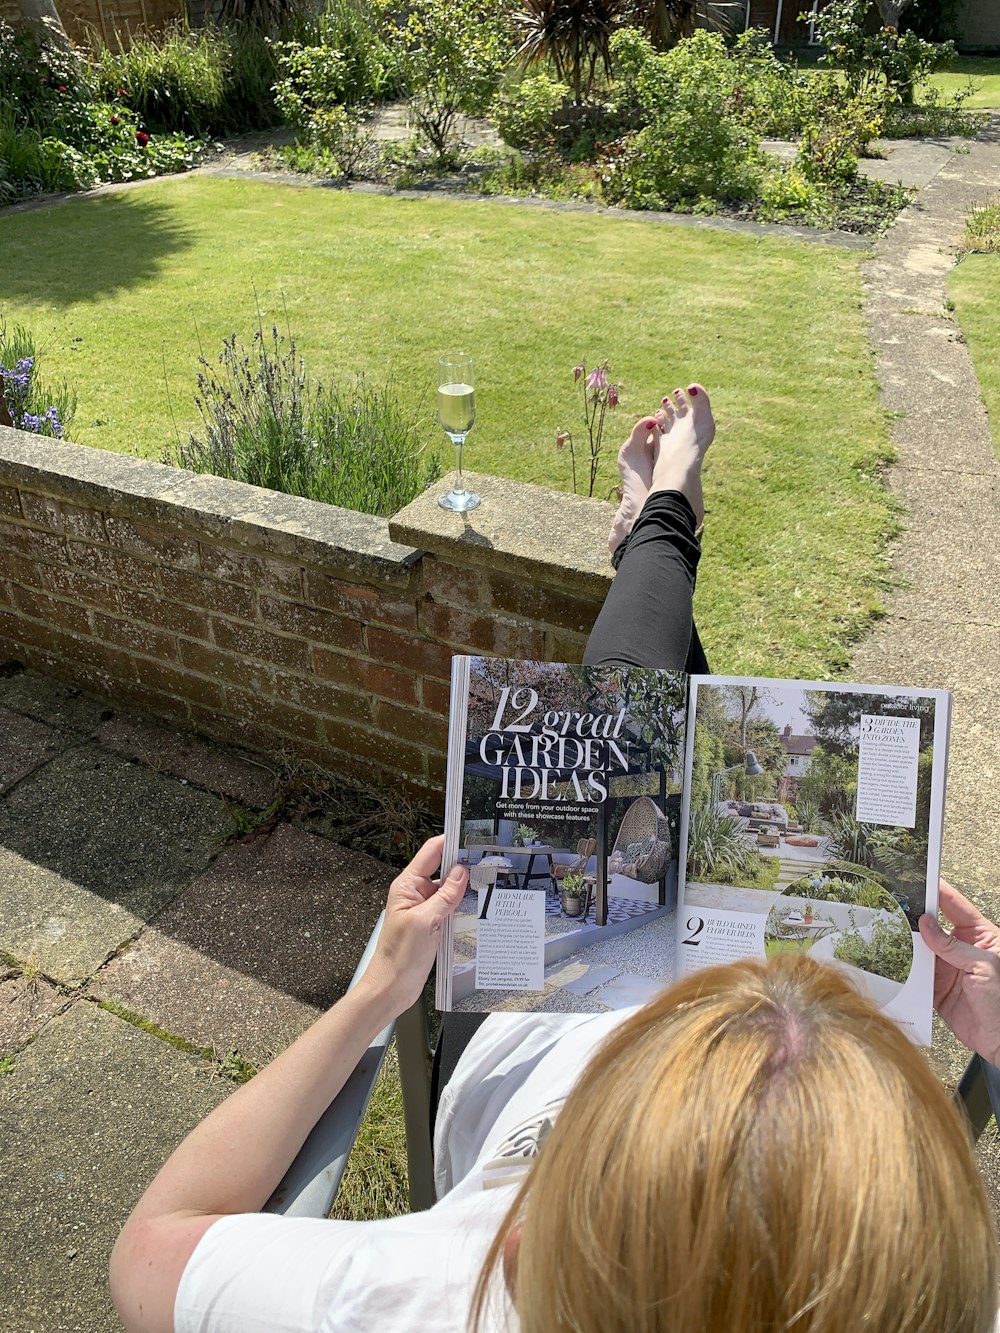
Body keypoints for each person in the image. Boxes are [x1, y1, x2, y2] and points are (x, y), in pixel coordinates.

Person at [110, 387, 1000, 1333]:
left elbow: (154, 1244)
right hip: (791, 1034)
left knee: (626, 705)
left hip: (561, 999)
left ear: (540, 1235)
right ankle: (655, 529)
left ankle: (660, 523)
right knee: (664, 716)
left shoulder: (432, 1296)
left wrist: (377, 988)